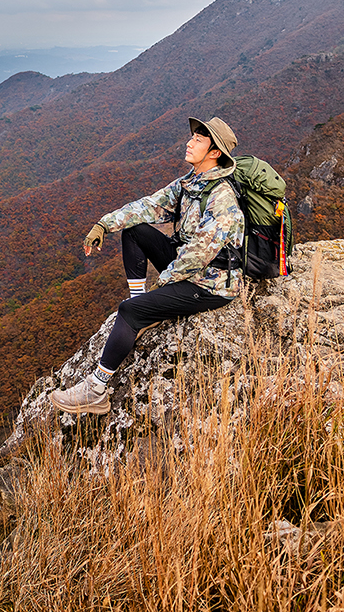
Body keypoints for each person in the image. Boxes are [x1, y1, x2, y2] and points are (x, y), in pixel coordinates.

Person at [50, 116, 244, 416]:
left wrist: (162, 284)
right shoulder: (189, 184)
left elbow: (199, 254)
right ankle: (142, 301)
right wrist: (104, 224)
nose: (189, 142)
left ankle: (96, 390)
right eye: (192, 137)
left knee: (129, 312)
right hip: (189, 268)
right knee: (136, 229)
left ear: (215, 153)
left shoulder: (222, 198)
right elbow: (147, 207)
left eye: (198, 140)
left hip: (210, 284)